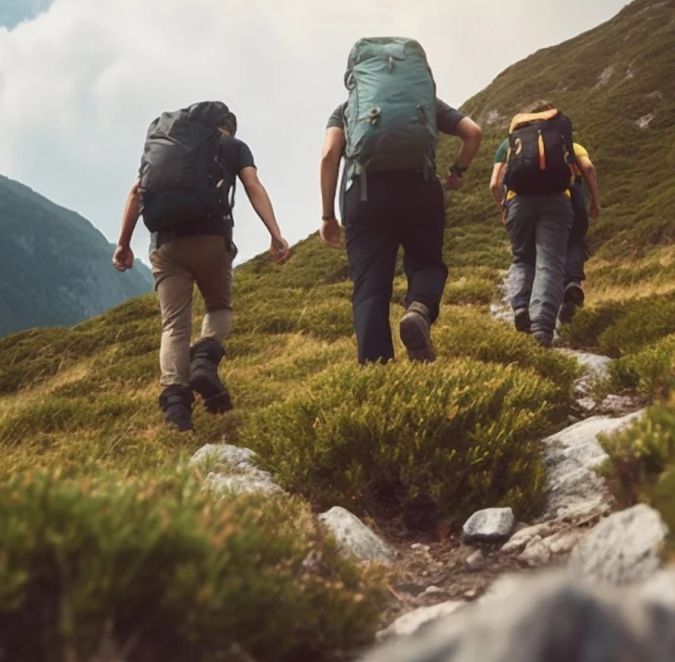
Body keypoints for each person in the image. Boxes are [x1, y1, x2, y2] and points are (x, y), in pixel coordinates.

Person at [113, 101, 289, 431]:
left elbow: (137, 193)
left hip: (166, 244)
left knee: (174, 326)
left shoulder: (166, 149)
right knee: (219, 306)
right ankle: (205, 360)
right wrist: (275, 234)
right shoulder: (233, 146)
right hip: (211, 238)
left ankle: (177, 409)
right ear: (227, 126)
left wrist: (123, 244)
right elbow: (252, 185)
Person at [319, 37, 482, 364]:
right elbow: (473, 133)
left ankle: (378, 377)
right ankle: (420, 309)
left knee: (369, 289)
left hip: (364, 196)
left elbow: (328, 156)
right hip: (418, 187)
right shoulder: (428, 104)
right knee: (426, 262)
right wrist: (457, 171)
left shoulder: (347, 110)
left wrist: (327, 217)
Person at [487, 100, 595, 346]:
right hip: (557, 202)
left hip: (518, 203)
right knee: (550, 262)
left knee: (523, 259)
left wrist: (503, 207)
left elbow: (495, 183)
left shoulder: (510, 143)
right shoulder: (564, 140)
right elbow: (588, 168)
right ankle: (542, 330)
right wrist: (595, 201)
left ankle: (520, 307)